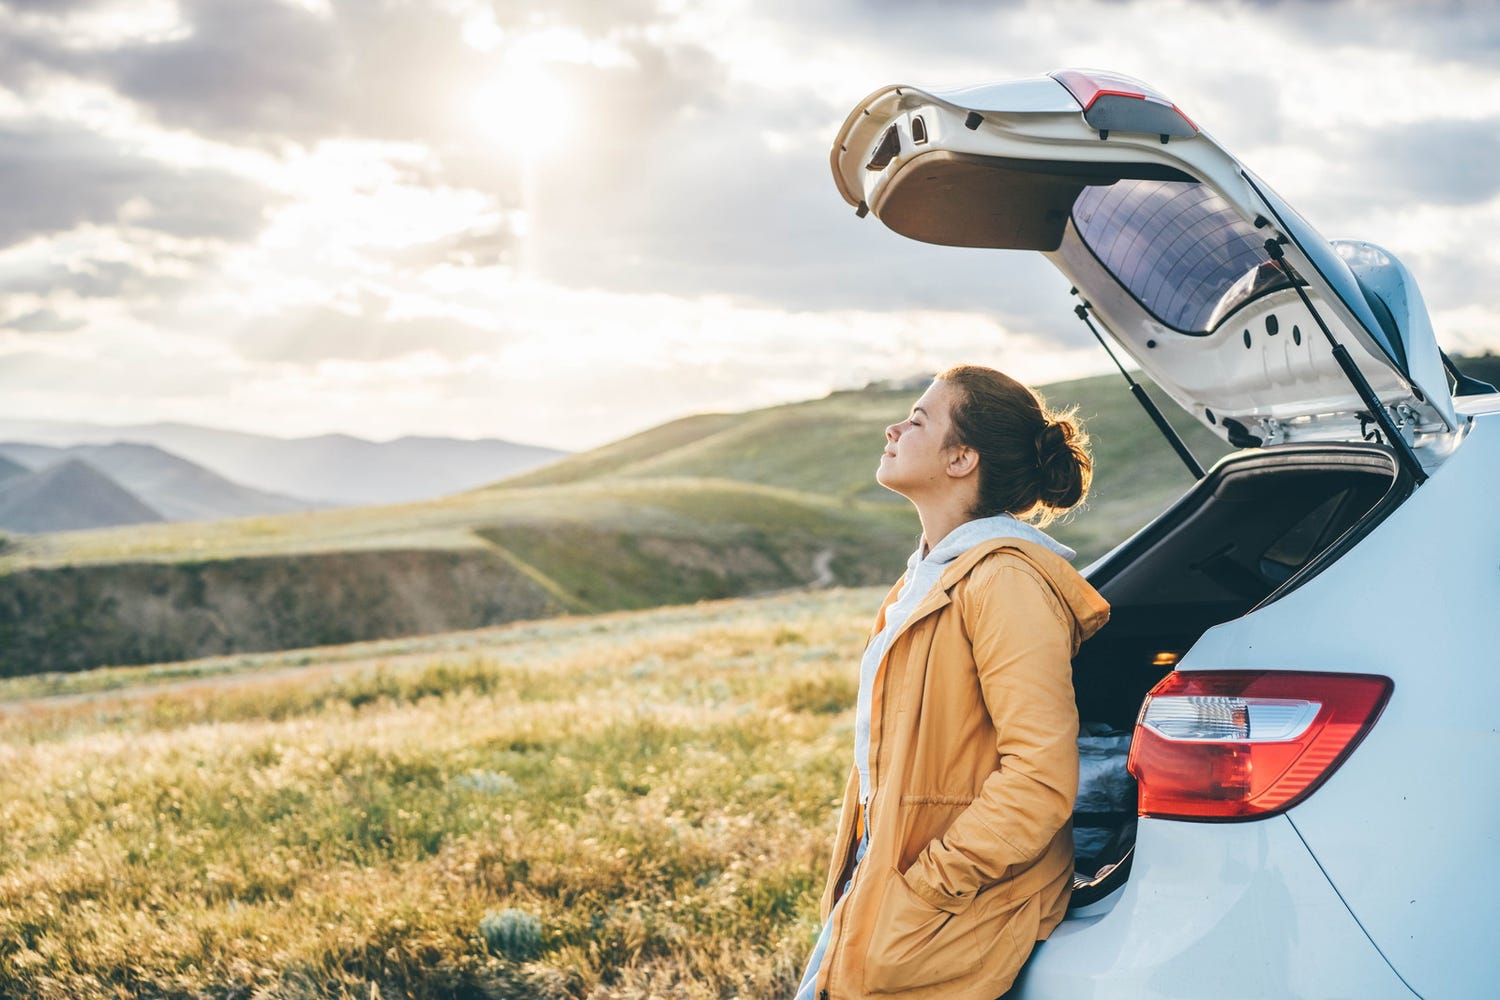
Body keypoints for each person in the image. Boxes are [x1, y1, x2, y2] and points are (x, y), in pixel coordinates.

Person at [794, 365, 1110, 1000]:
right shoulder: (931, 577)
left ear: (962, 458)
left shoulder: (1005, 582)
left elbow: (1040, 778)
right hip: (885, 889)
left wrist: (929, 886)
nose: (893, 427)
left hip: (940, 910)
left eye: (917, 420)